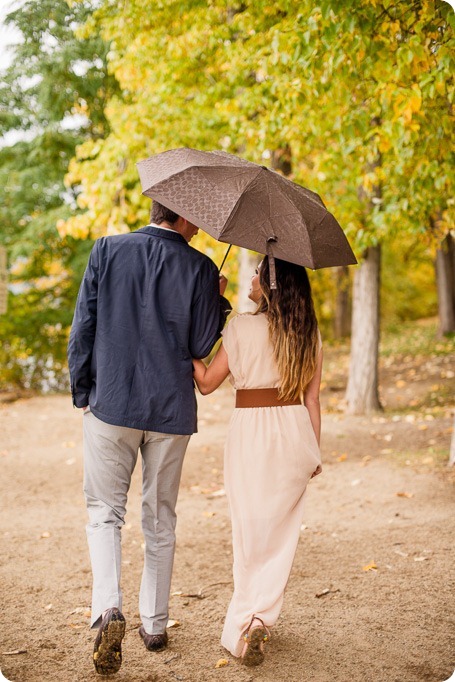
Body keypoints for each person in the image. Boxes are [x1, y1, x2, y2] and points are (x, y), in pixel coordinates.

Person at [67, 201, 231, 676]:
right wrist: (215, 300)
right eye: (196, 217)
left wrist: (83, 390)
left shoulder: (107, 249)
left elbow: (84, 327)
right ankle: (154, 624)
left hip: (112, 402)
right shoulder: (199, 267)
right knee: (159, 515)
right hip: (169, 410)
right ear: (181, 216)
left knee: (104, 513)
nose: (200, 227)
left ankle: (109, 609)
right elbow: (202, 346)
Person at [192, 255, 322, 667]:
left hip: (250, 433)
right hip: (295, 432)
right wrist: (313, 451)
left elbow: (207, 383)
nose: (250, 278)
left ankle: (245, 626)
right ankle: (260, 616)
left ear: (270, 284)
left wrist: (180, 342)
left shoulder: (242, 326)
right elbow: (313, 399)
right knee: (281, 535)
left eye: (257, 273)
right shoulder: (308, 333)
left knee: (249, 533)